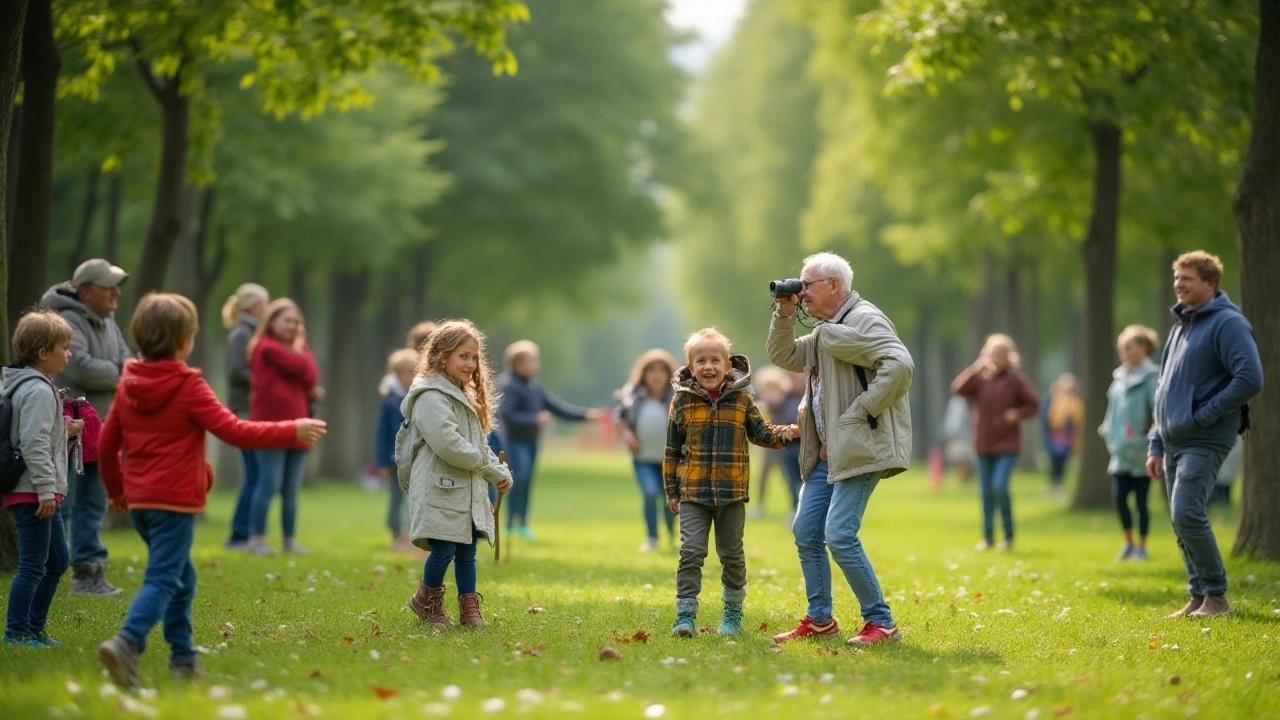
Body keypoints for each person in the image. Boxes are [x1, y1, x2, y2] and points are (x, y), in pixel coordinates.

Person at [95, 293, 326, 688]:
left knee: (181, 578)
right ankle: (127, 643)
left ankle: (183, 658)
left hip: (141, 502)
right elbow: (235, 429)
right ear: (185, 341)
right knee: (165, 578)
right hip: (174, 500)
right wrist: (291, 428)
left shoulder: (127, 383)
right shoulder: (188, 386)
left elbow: (105, 444)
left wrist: (117, 492)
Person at [767, 252, 914, 647]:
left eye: (807, 284)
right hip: (825, 452)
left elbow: (900, 364)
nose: (801, 292)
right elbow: (782, 356)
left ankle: (881, 622)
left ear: (834, 285)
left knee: (839, 533)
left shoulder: (864, 318)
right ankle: (819, 620)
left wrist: (862, 410)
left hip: (859, 447)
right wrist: (784, 314)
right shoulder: (824, 329)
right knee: (806, 531)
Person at [1148, 251, 1262, 619]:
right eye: (1177, 278)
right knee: (1180, 519)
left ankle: (1217, 597)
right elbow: (1163, 387)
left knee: (1187, 512)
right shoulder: (1181, 325)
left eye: (1188, 279)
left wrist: (1204, 414)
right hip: (1174, 438)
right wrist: (1156, 442)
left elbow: (1250, 378)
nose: (1179, 285)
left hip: (1205, 438)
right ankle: (1198, 596)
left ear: (1210, 284)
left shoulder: (1228, 323)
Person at [665, 329, 798, 638]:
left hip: (731, 493)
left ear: (727, 365)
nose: (708, 366)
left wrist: (788, 432)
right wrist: (672, 491)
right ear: (691, 366)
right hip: (692, 492)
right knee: (691, 552)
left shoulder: (742, 399)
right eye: (701, 361)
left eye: (715, 360)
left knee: (732, 555)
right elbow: (671, 450)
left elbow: (761, 433)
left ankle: (732, 615)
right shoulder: (682, 401)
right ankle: (685, 617)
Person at [402, 321, 512, 629]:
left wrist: (500, 472)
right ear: (441, 356)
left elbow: (478, 444)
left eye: (474, 358)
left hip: (466, 486)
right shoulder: (430, 396)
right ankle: (428, 600)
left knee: (467, 550)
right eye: (463, 356)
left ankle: (469, 609)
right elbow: (450, 445)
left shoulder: (464, 395)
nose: (471, 364)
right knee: (444, 549)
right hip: (440, 487)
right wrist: (488, 469)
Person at [40, 258, 132, 597]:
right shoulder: (67, 319)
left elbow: (126, 359)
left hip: (101, 425)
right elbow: (80, 369)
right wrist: (120, 369)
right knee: (64, 502)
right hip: (70, 426)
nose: (115, 293)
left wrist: (119, 367)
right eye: (109, 286)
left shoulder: (108, 321)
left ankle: (89, 574)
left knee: (94, 500)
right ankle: (51, 570)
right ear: (86, 291)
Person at [3, 311, 82, 648]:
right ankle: (17, 632)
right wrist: (46, 490)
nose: (69, 353)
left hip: (42, 489)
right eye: (64, 347)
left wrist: (64, 429)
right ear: (42, 352)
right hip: (34, 491)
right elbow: (32, 442)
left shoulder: (35, 385)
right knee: (35, 563)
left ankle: (34, 628)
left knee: (57, 561)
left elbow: (38, 433)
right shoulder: (36, 390)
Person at [496, 340, 603, 540]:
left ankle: (523, 522)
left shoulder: (534, 384)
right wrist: (534, 418)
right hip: (514, 440)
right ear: (518, 363)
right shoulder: (508, 384)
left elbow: (555, 406)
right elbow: (506, 414)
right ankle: (510, 522)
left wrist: (585, 416)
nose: (537, 365)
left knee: (528, 480)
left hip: (531, 440)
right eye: (533, 361)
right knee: (519, 478)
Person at [246, 299, 321, 555]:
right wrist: (300, 347)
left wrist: (300, 348)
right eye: (287, 320)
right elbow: (300, 366)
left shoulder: (299, 349)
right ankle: (257, 539)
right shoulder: (265, 347)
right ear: (272, 321)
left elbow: (311, 375)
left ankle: (289, 540)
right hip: (270, 425)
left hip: (299, 425)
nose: (292, 326)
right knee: (268, 483)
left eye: (296, 322)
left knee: (291, 489)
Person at [952, 334, 1039, 552]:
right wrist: (976, 367)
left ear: (1009, 357)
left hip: (1007, 445)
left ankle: (1008, 535)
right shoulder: (980, 378)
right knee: (985, 492)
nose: (995, 358)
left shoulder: (1015, 380)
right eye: (992, 353)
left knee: (999, 486)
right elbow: (958, 389)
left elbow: (1034, 405)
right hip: (982, 444)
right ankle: (988, 536)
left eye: (1000, 354)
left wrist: (1016, 414)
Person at [1100, 325, 1160, 562]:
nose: (1125, 352)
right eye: (1122, 348)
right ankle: (1128, 543)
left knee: (1142, 502)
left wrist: (1151, 438)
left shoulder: (1152, 377)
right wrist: (1107, 432)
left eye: (1129, 347)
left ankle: (1142, 547)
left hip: (1142, 451)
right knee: (1120, 499)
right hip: (1120, 451)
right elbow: (1111, 412)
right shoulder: (1118, 378)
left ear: (1144, 348)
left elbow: (1157, 412)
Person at [613, 348, 679, 553]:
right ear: (643, 374)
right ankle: (652, 537)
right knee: (650, 494)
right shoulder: (632, 396)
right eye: (651, 370)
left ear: (669, 374)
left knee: (671, 498)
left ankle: (671, 532)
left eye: (661, 370)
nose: (657, 375)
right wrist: (628, 436)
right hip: (642, 458)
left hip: (670, 460)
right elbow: (619, 417)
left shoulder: (677, 397)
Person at [221, 282, 270, 550]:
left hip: (251, 409)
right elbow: (236, 369)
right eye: (264, 303)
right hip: (246, 410)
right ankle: (240, 534)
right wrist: (266, 382)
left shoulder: (251, 331)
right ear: (253, 306)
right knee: (255, 474)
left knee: (255, 473)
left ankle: (245, 532)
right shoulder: (242, 333)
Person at [377, 349, 419, 551]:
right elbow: (382, 433)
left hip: (415, 458)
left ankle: (412, 535)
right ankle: (396, 534)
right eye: (408, 372)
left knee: (413, 498)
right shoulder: (390, 400)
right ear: (397, 374)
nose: (412, 376)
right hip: (395, 459)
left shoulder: (418, 396)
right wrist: (382, 462)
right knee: (396, 497)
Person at [1042, 372, 1084, 497]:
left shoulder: (1076, 402)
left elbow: (1078, 420)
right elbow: (1049, 419)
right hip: (1054, 437)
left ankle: (1060, 485)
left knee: (1063, 462)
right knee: (1053, 461)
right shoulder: (1055, 400)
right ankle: (1053, 485)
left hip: (1067, 438)